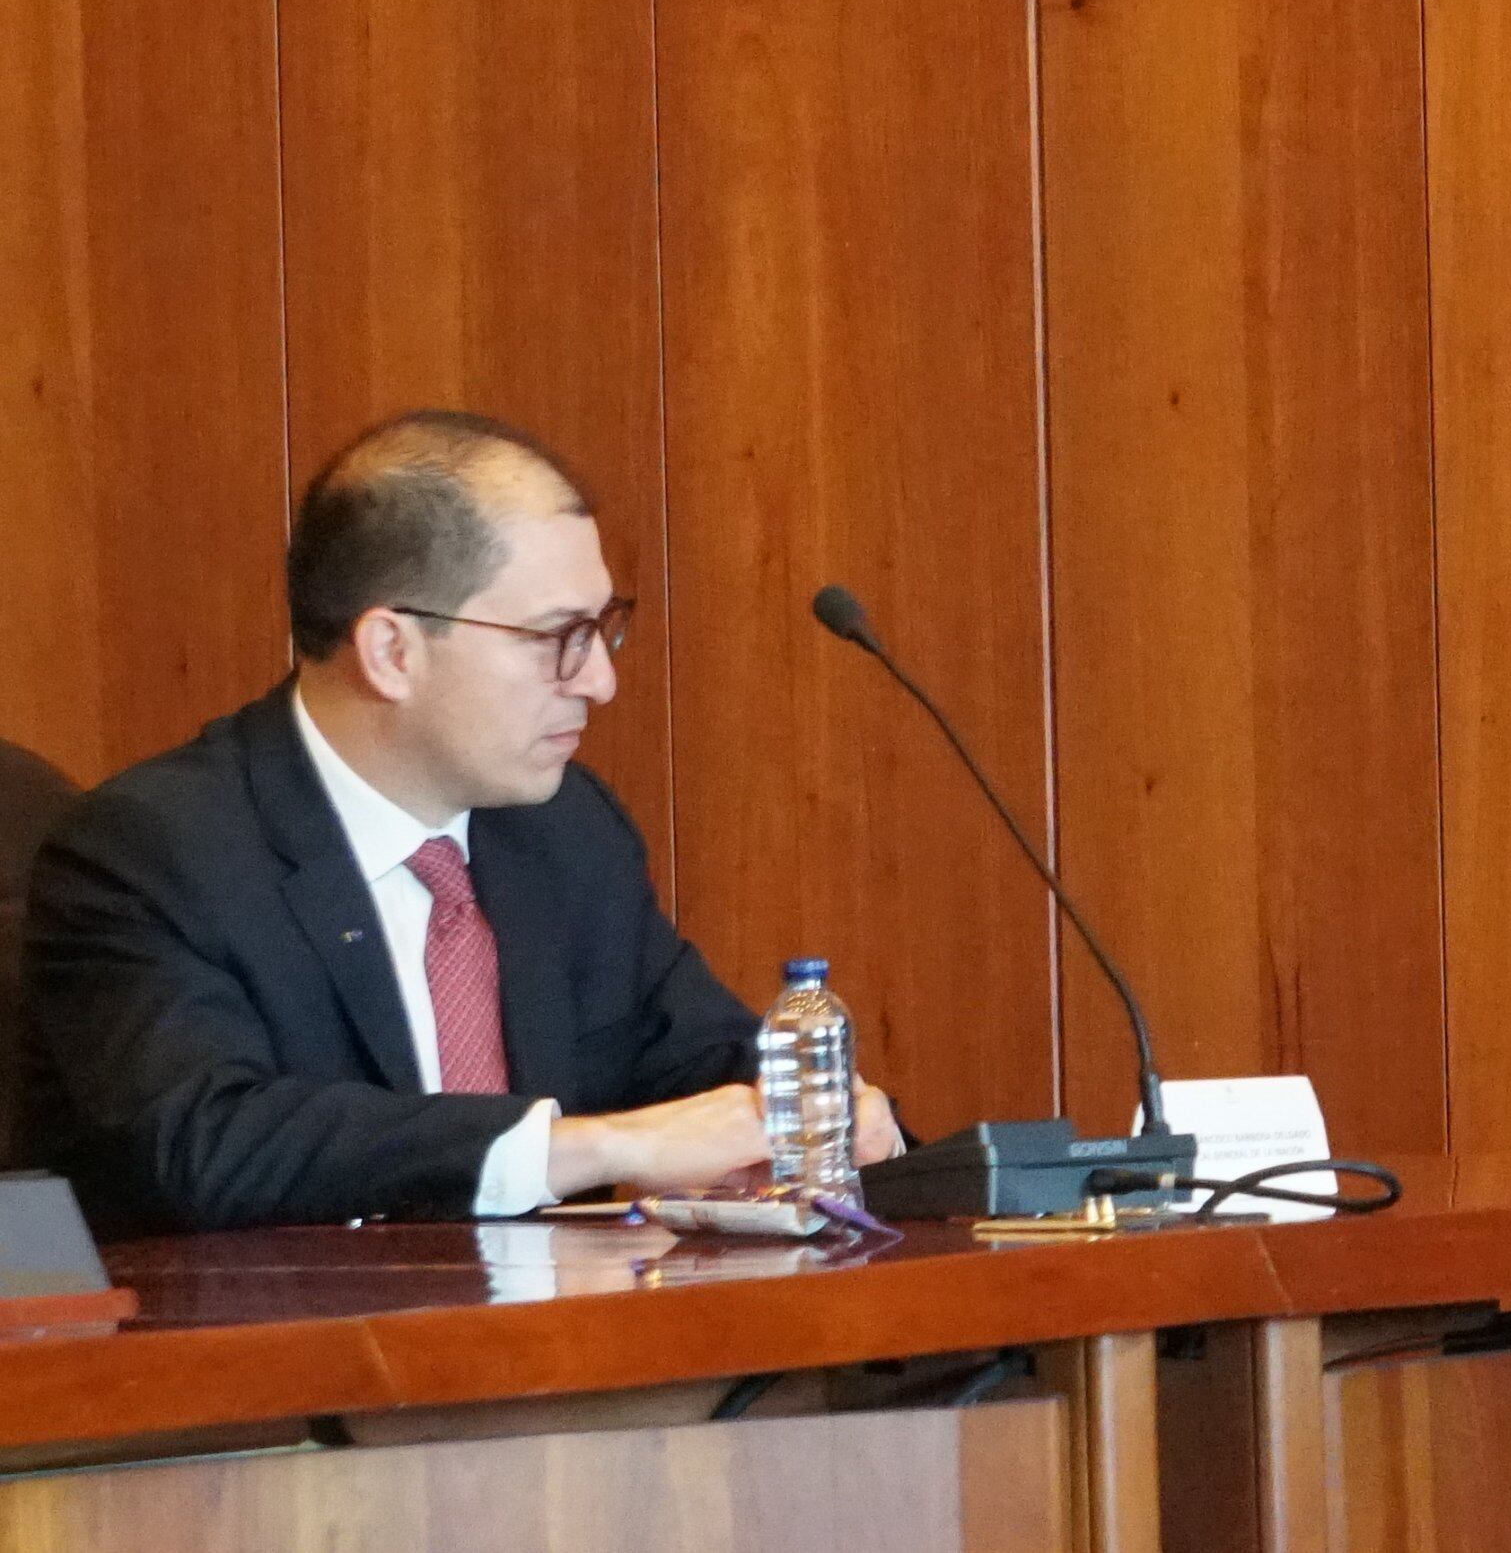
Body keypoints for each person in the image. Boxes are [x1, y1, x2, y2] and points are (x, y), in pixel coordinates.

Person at [22, 412, 899, 1234]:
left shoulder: (566, 833)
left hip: (567, 1364)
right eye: (557, 635)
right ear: (392, 651)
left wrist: (814, 1114)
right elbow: (205, 1139)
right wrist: (595, 1145)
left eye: (603, 630)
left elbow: (698, 1060)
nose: (599, 681)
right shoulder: (157, 850)